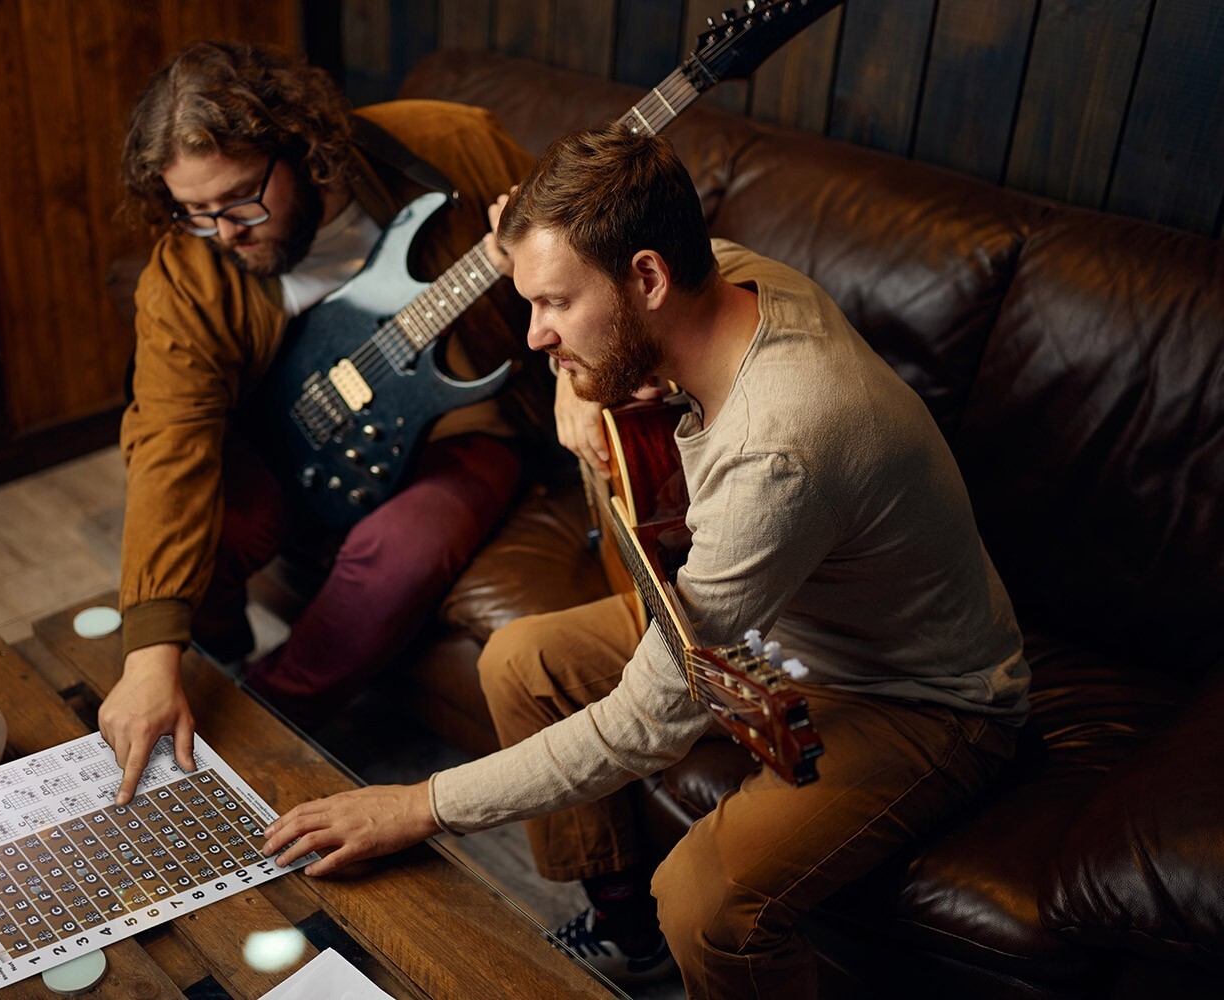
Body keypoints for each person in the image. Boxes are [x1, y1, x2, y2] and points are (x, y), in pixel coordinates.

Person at [260, 125, 1031, 997]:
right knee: (523, 661)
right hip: (778, 625)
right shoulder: (725, 275)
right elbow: (586, 323)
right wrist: (574, 382)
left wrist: (416, 804)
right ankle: (626, 933)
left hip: (914, 696)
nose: (535, 335)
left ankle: (663, 924)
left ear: (648, 278)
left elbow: (643, 723)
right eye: (530, 304)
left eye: (552, 304)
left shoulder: (780, 448)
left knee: (703, 901)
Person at [99, 41, 536, 806]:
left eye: (239, 200)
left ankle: (266, 723)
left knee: (400, 550)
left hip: (456, 424)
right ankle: (217, 663)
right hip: (284, 431)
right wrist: (148, 658)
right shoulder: (191, 272)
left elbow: (578, 245)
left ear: (300, 146)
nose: (226, 233)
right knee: (207, 520)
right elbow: (169, 443)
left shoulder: (448, 143)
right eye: (194, 213)